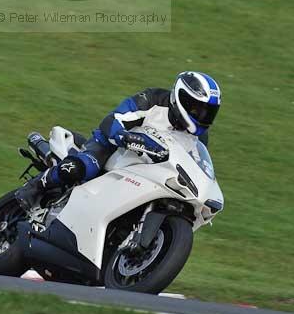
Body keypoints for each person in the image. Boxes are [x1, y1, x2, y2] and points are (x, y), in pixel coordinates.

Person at [15, 71, 221, 211]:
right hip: (113, 147)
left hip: (150, 171)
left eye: (207, 113)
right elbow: (113, 119)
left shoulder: (199, 136)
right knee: (78, 168)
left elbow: (195, 166)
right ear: (181, 98)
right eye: (196, 109)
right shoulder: (152, 100)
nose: (201, 116)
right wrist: (124, 136)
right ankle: (34, 187)